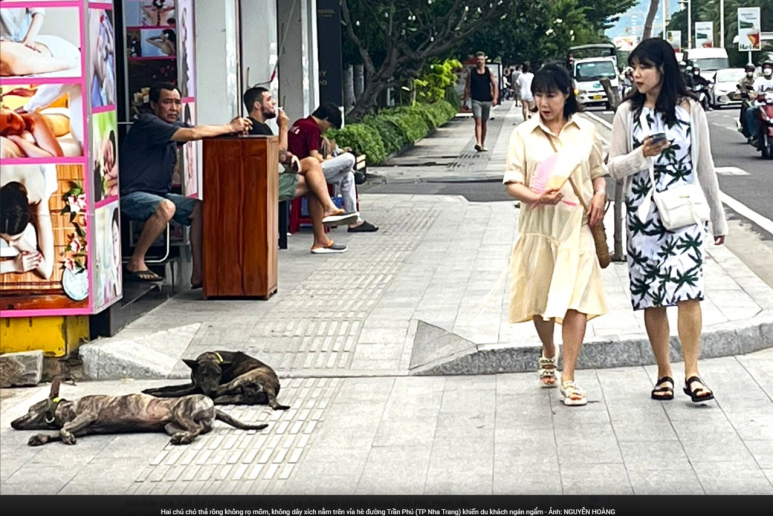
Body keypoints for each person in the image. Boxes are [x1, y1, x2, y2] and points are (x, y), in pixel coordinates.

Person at [606, 38, 727, 403]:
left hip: (685, 214)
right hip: (644, 216)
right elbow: (612, 167)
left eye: (644, 66)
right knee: (652, 297)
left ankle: (693, 372)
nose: (637, 74)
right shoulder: (627, 112)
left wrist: (718, 220)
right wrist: (640, 155)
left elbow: (704, 166)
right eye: (634, 67)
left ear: (663, 68)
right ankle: (664, 373)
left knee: (689, 291)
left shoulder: (691, 108)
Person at [503, 63, 609, 406]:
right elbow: (512, 182)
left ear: (567, 95)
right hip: (539, 229)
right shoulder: (523, 134)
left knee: (576, 298)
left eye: (551, 95)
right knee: (542, 299)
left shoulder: (585, 131)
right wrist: (536, 197)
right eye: (538, 95)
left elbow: (598, 172)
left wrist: (599, 194)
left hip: (576, 226)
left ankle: (569, 374)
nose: (544, 102)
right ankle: (548, 349)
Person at [119, 82, 252, 285]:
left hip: (159, 193)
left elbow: (197, 130)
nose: (174, 108)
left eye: (177, 103)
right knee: (166, 207)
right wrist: (229, 127)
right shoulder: (148, 123)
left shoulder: (172, 126)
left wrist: (231, 130)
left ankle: (198, 272)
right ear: (153, 105)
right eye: (167, 102)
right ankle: (136, 262)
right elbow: (193, 134)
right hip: (130, 195)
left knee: (200, 209)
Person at [243, 87, 358, 254]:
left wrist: (291, 156)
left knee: (314, 174)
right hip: (264, 183)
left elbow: (280, 153)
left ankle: (322, 235)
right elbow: (279, 155)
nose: (274, 102)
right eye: (269, 99)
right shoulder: (254, 127)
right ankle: (326, 221)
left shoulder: (264, 128)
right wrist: (283, 127)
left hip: (271, 177)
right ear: (257, 105)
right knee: (315, 171)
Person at [288, 103, 379, 233]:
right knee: (349, 158)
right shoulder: (313, 128)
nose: (327, 129)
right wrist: (333, 160)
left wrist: (322, 138)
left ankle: (354, 220)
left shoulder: (300, 122)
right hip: (309, 171)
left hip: (300, 167)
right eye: (329, 126)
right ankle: (350, 170)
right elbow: (315, 157)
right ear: (325, 119)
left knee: (348, 177)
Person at [0, 165, 56, 280]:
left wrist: (18, 243)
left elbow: (47, 270)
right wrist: (12, 265)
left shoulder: (35, 190)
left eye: (16, 238)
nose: (11, 245)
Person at [463, 52, 498, 152]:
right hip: (476, 100)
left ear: (484, 61)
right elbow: (467, 87)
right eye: (478, 59)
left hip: (487, 99)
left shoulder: (488, 71)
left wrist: (495, 98)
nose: (480, 61)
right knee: (478, 122)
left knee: (484, 122)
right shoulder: (471, 72)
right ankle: (478, 142)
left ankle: (482, 143)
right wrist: (465, 102)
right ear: (475, 60)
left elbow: (494, 85)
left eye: (482, 59)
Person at [746, 60, 773, 146]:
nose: (767, 69)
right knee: (749, 111)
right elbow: (753, 91)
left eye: (769, 67)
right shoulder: (759, 80)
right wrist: (752, 95)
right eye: (765, 67)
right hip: (761, 105)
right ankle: (754, 134)